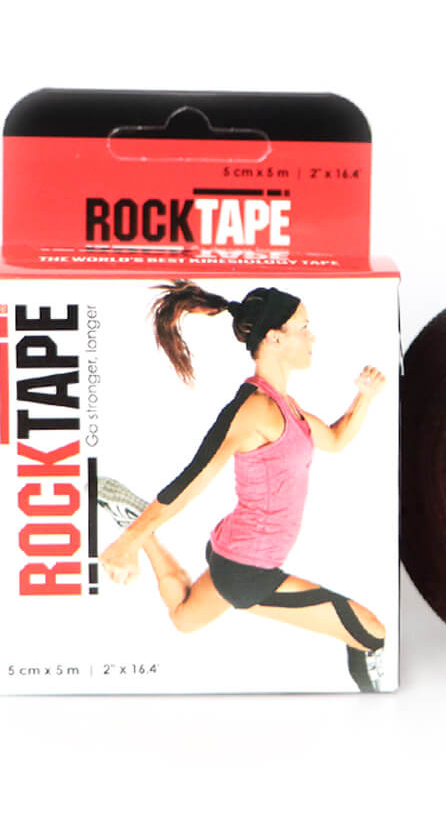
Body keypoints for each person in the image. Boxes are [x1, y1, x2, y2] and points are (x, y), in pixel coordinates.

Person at [99, 281, 388, 691]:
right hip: (248, 569)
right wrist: (125, 543)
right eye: (304, 328)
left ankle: (146, 534)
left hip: (234, 550)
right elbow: (193, 479)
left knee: (184, 618)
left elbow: (336, 440)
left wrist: (365, 398)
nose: (313, 338)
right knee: (370, 632)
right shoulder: (253, 410)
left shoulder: (286, 405)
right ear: (274, 338)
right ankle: (376, 696)